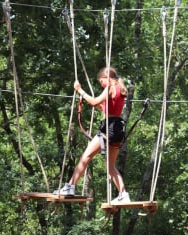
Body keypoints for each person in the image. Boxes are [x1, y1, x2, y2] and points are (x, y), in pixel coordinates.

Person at [53, 67, 131, 203]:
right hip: (118, 128)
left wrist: (80, 90)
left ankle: (70, 187)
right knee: (110, 166)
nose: (101, 85)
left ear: (107, 78)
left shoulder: (110, 88)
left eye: (101, 81)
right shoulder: (121, 89)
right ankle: (123, 195)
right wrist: (99, 106)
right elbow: (109, 108)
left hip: (109, 128)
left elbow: (95, 101)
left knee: (86, 156)